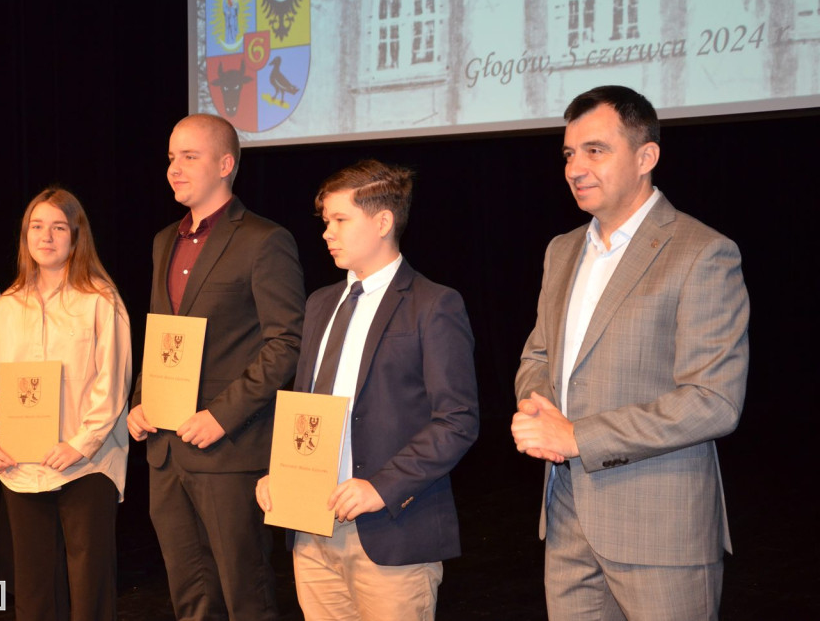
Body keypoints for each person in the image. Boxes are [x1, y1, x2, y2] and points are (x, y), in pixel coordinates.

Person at [511, 85, 750, 620]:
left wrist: (577, 436)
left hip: (659, 530)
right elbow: (538, 357)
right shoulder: (562, 249)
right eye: (570, 154)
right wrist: (537, 406)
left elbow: (713, 401)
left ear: (647, 157)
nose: (576, 167)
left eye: (595, 150)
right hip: (567, 517)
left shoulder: (703, 252)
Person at [255, 159, 480, 621]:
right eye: (326, 222)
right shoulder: (320, 304)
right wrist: (282, 472)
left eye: (340, 220)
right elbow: (306, 411)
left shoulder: (433, 304)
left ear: (382, 221)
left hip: (392, 532)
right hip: (312, 528)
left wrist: (383, 487)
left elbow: (457, 421)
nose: (327, 233)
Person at [126, 113, 304, 621]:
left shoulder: (264, 240)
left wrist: (222, 415)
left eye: (189, 157)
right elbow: (162, 335)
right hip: (166, 452)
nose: (173, 169)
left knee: (246, 596)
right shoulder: (165, 240)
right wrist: (141, 401)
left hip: (228, 449)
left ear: (226, 164)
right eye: (170, 157)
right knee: (191, 599)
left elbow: (285, 344)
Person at [0, 187, 132, 621]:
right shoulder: (9, 305)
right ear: (25, 237)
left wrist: (80, 443)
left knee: (89, 588)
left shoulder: (100, 299)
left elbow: (113, 383)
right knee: (35, 591)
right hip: (21, 467)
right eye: (36, 227)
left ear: (76, 237)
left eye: (59, 227)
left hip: (87, 465)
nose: (46, 236)